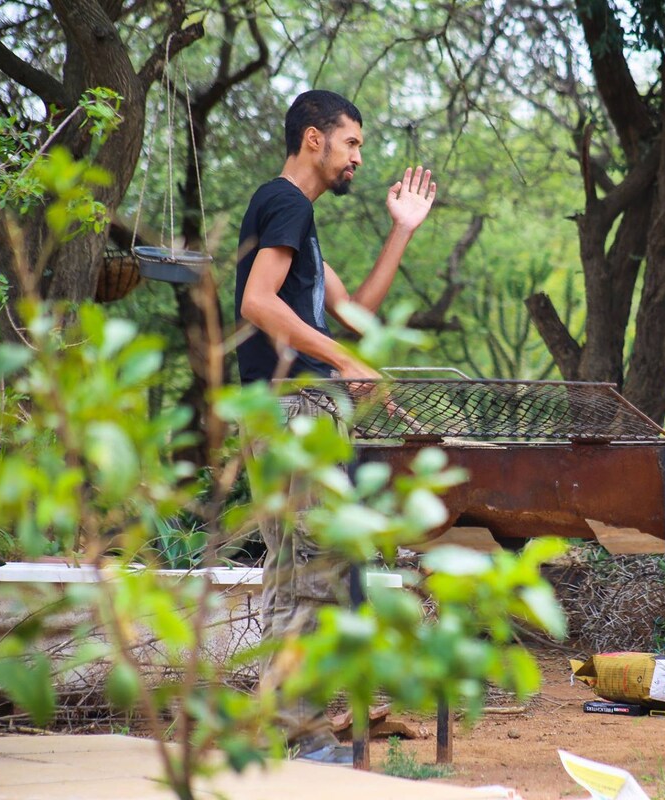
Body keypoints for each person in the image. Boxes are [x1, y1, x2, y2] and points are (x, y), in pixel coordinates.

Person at [234, 89, 437, 756]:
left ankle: (282, 738)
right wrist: (341, 358)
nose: (358, 157)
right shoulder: (286, 200)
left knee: (298, 575)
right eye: (351, 143)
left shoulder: (296, 220)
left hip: (292, 412)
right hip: (293, 411)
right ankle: (304, 747)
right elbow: (259, 303)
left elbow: (355, 312)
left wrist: (403, 230)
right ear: (314, 139)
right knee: (317, 576)